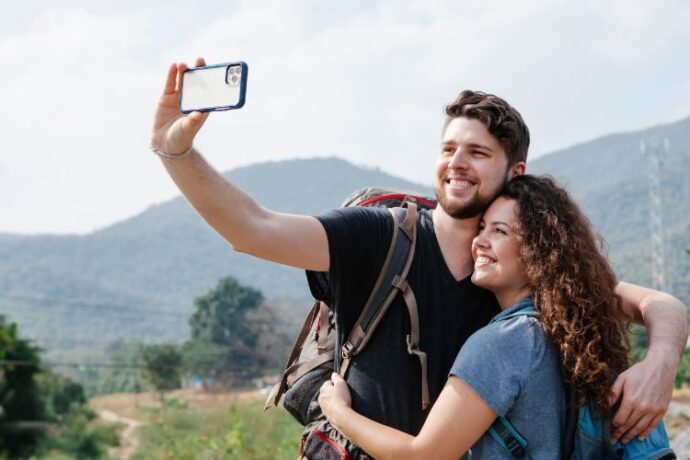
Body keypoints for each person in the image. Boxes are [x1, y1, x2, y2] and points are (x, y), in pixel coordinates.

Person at [150, 57, 687, 449]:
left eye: (478, 152)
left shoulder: (519, 270)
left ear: (513, 173)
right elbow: (252, 228)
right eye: (449, 148)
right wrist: (175, 151)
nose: (457, 163)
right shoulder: (377, 238)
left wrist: (659, 367)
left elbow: (661, 306)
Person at [318, 175, 672, 458]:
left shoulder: (503, 343)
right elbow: (660, 304)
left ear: (539, 252)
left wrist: (338, 412)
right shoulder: (581, 331)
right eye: (482, 228)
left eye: (499, 231)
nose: (480, 242)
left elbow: (423, 455)